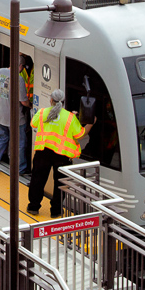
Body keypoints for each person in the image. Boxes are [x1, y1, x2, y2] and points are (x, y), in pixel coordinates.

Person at [27, 89, 86, 218]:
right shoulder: (70, 117)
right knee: (60, 184)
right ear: (63, 102)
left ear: (51, 100)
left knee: (37, 180)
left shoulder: (43, 112)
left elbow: (33, 124)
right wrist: (79, 119)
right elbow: (80, 134)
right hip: (62, 155)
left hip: (43, 152)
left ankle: (33, 206)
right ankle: (56, 211)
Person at [0, 67, 30, 175]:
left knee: (2, 138)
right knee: (19, 143)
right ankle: (20, 169)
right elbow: (23, 101)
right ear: (21, 67)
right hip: (15, 119)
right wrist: (31, 105)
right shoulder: (19, 78)